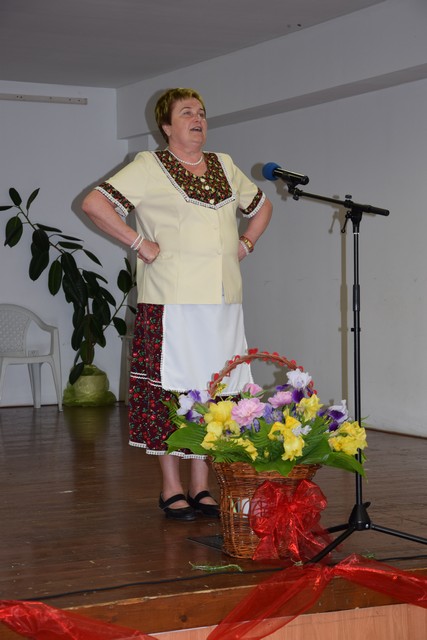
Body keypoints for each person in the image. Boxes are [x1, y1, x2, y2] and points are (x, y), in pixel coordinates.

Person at [82, 87, 272, 521]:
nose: (198, 118)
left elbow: (262, 208)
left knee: (214, 392)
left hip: (223, 302)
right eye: (187, 112)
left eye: (201, 112)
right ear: (166, 127)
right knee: (171, 392)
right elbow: (95, 204)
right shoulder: (148, 166)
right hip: (171, 301)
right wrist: (138, 242)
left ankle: (201, 486)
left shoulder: (225, 164)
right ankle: (171, 488)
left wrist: (246, 243)